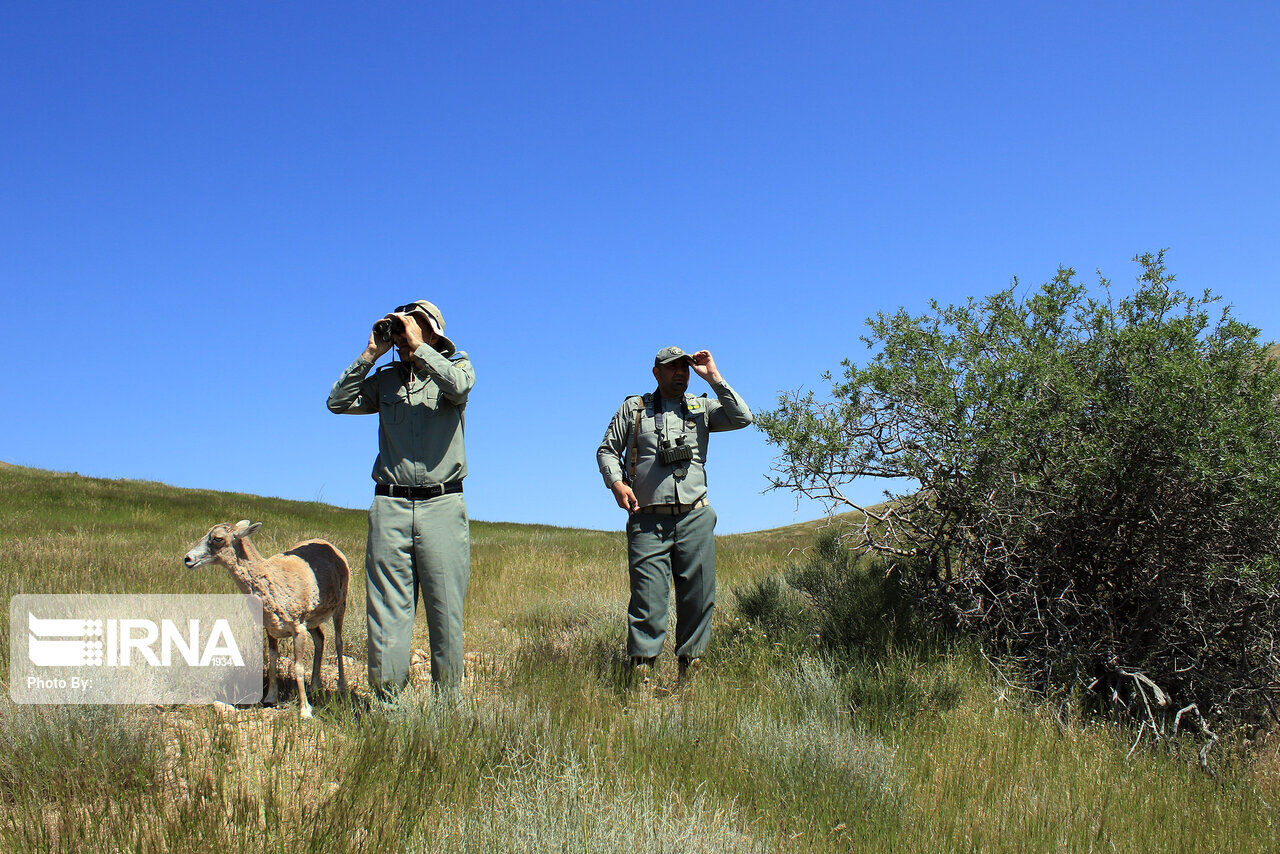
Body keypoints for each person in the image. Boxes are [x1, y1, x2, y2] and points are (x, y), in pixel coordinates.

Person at [327, 300, 474, 698]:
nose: (404, 334)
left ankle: (447, 713)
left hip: (442, 506)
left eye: (414, 326)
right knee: (387, 615)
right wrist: (370, 353)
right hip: (389, 506)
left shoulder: (457, 367)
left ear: (433, 333)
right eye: (401, 327)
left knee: (445, 616)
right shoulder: (386, 379)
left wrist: (421, 348)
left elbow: (459, 389)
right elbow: (337, 402)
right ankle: (390, 712)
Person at [596, 346, 753, 687]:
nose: (680, 373)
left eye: (685, 367)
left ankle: (690, 674)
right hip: (648, 519)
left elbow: (743, 417)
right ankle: (641, 676)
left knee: (697, 597)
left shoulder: (702, 408)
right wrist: (617, 483)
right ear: (656, 372)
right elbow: (607, 449)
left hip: (694, 517)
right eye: (672, 368)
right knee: (648, 599)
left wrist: (714, 377)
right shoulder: (635, 409)